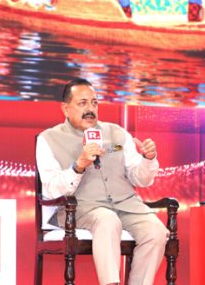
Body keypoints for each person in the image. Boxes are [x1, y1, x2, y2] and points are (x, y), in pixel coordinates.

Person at [36, 78, 168, 285]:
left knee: (157, 232)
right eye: (82, 103)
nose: (90, 109)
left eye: (94, 103)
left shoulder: (117, 133)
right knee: (108, 221)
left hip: (127, 205)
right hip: (81, 209)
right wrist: (78, 166)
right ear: (65, 108)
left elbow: (140, 179)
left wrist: (148, 159)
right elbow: (51, 189)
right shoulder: (49, 139)